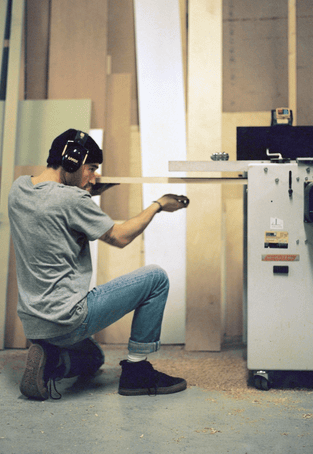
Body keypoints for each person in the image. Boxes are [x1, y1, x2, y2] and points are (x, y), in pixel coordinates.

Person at [10, 129, 190, 400]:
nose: (93, 177)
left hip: (35, 323)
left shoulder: (19, 188)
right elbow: (120, 237)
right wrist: (159, 204)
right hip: (68, 319)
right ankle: (137, 373)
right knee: (156, 277)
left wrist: (89, 192)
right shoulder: (73, 200)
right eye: (91, 168)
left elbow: (53, 206)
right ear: (71, 161)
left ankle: (52, 360)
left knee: (95, 359)